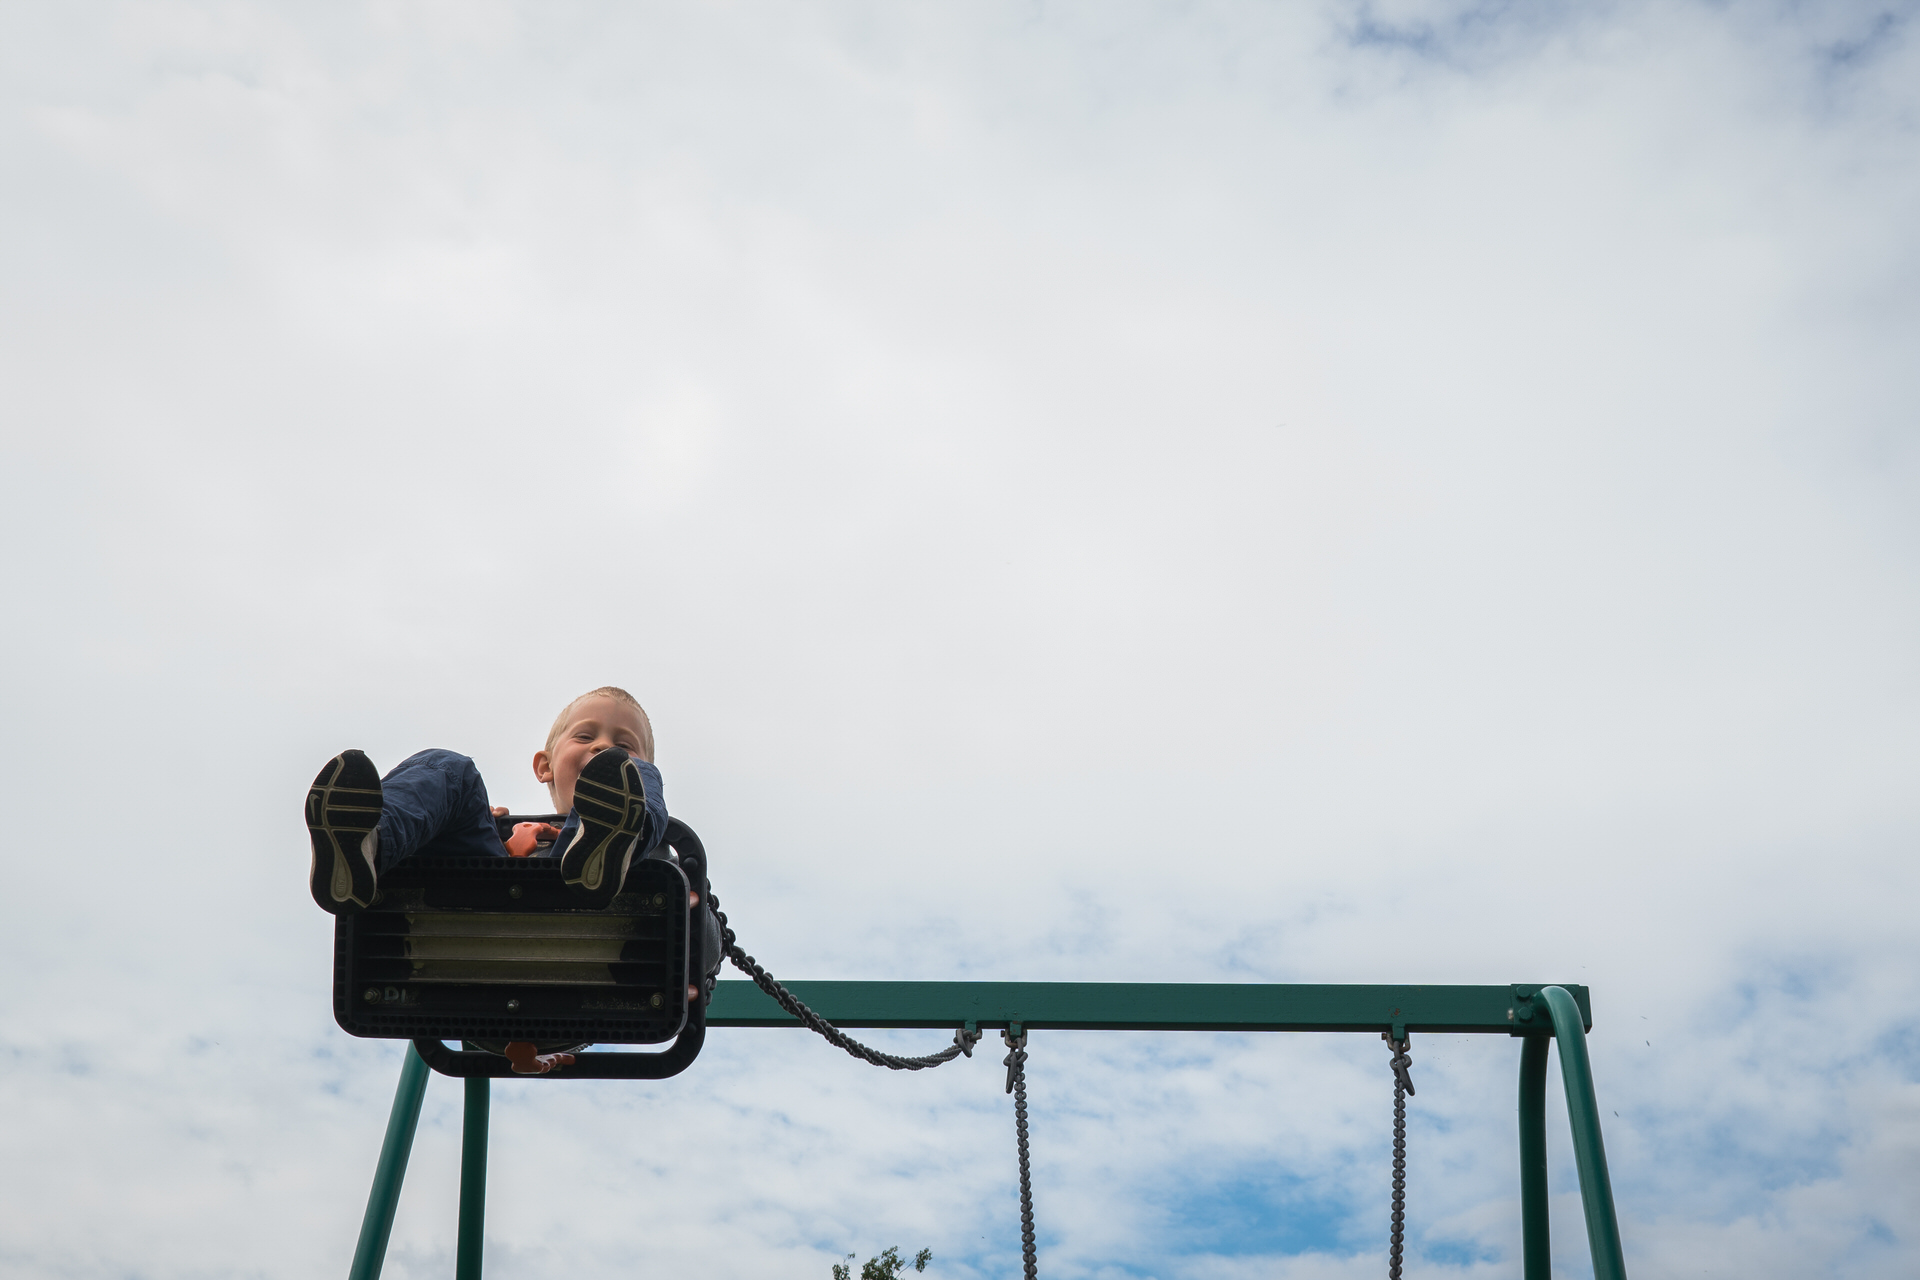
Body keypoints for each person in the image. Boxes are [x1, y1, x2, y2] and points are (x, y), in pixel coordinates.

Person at [304, 685, 667, 915]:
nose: (603, 747)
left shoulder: (661, 857)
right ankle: (367, 846)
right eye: (585, 735)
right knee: (451, 770)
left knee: (638, 772)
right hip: (480, 897)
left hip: (588, 900)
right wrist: (468, 824)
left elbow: (707, 938)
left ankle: (613, 844)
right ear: (545, 766)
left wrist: (700, 930)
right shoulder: (499, 830)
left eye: (623, 746)